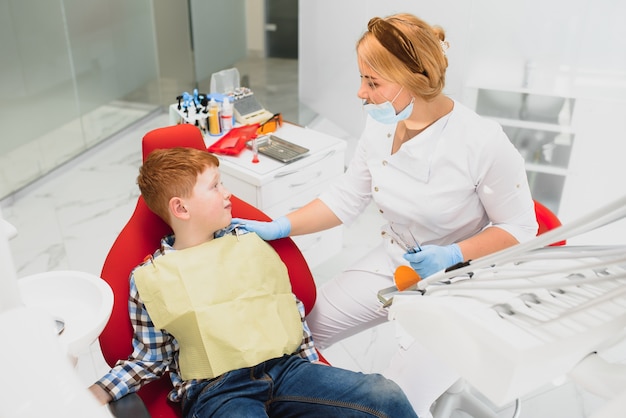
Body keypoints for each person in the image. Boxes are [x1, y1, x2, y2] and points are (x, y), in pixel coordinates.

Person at [232, 12, 538, 417]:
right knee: (292, 334)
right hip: (396, 260)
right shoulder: (381, 125)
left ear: (415, 78)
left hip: (460, 284)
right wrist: (282, 225)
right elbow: (346, 198)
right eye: (362, 78)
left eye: (372, 82)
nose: (361, 93)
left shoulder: (481, 142)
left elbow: (521, 228)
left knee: (391, 403)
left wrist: (451, 255)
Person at [88, 147, 417, 418]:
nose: (227, 193)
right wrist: (101, 389)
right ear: (181, 207)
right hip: (217, 391)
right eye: (215, 186)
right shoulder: (151, 278)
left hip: (287, 370)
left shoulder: (248, 242)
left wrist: (314, 369)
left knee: (384, 395)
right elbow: (150, 357)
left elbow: (288, 308)